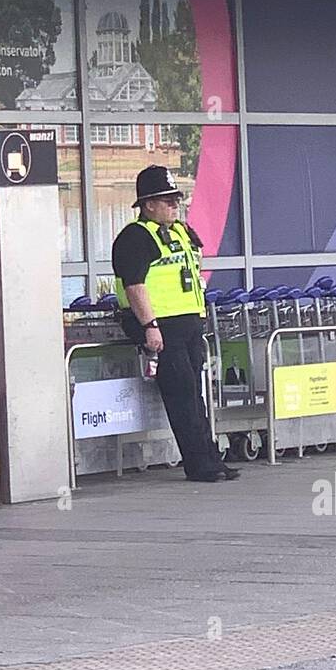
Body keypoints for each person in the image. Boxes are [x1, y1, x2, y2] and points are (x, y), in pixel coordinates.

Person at [112, 165, 238, 483]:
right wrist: (150, 326)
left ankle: (210, 457)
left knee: (194, 394)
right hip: (162, 327)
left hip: (188, 324)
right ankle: (198, 464)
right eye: (167, 199)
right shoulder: (135, 237)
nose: (174, 204)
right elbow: (135, 286)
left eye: (176, 198)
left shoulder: (180, 231)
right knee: (181, 395)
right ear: (148, 204)